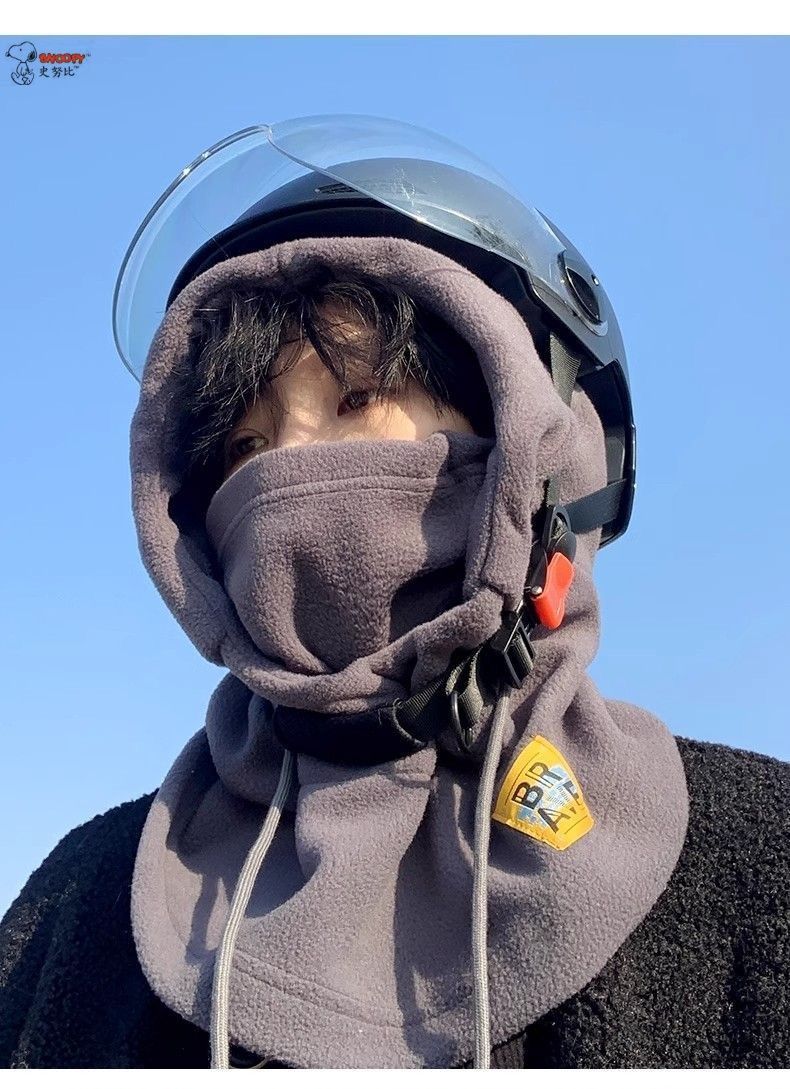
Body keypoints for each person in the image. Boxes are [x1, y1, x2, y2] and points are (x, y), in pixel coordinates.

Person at [1, 115, 788, 1071]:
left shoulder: (759, 855)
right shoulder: (81, 906)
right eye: (245, 445)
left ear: (531, 449)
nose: (287, 466)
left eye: (356, 397)